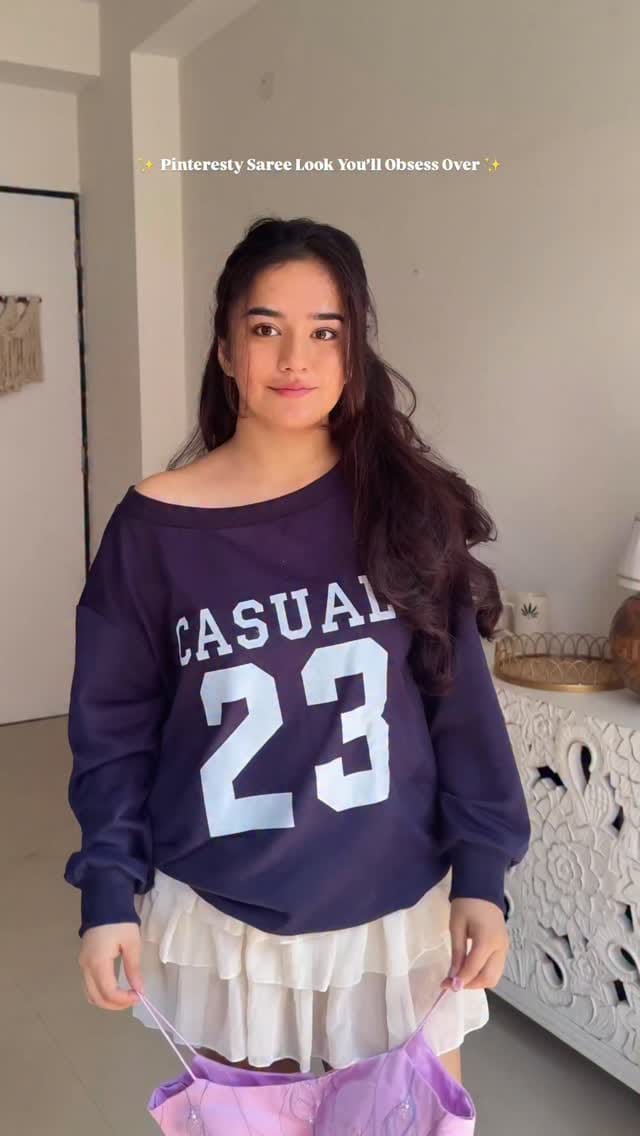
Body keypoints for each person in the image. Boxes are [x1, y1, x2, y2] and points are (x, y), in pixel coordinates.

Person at [64, 215, 530, 1086]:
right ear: (225, 348)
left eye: (325, 332)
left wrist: (481, 875)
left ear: (354, 352)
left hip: (394, 912)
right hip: (224, 917)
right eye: (265, 328)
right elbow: (113, 729)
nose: (294, 360)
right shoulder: (154, 527)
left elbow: (460, 708)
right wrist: (107, 890)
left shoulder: (402, 508)